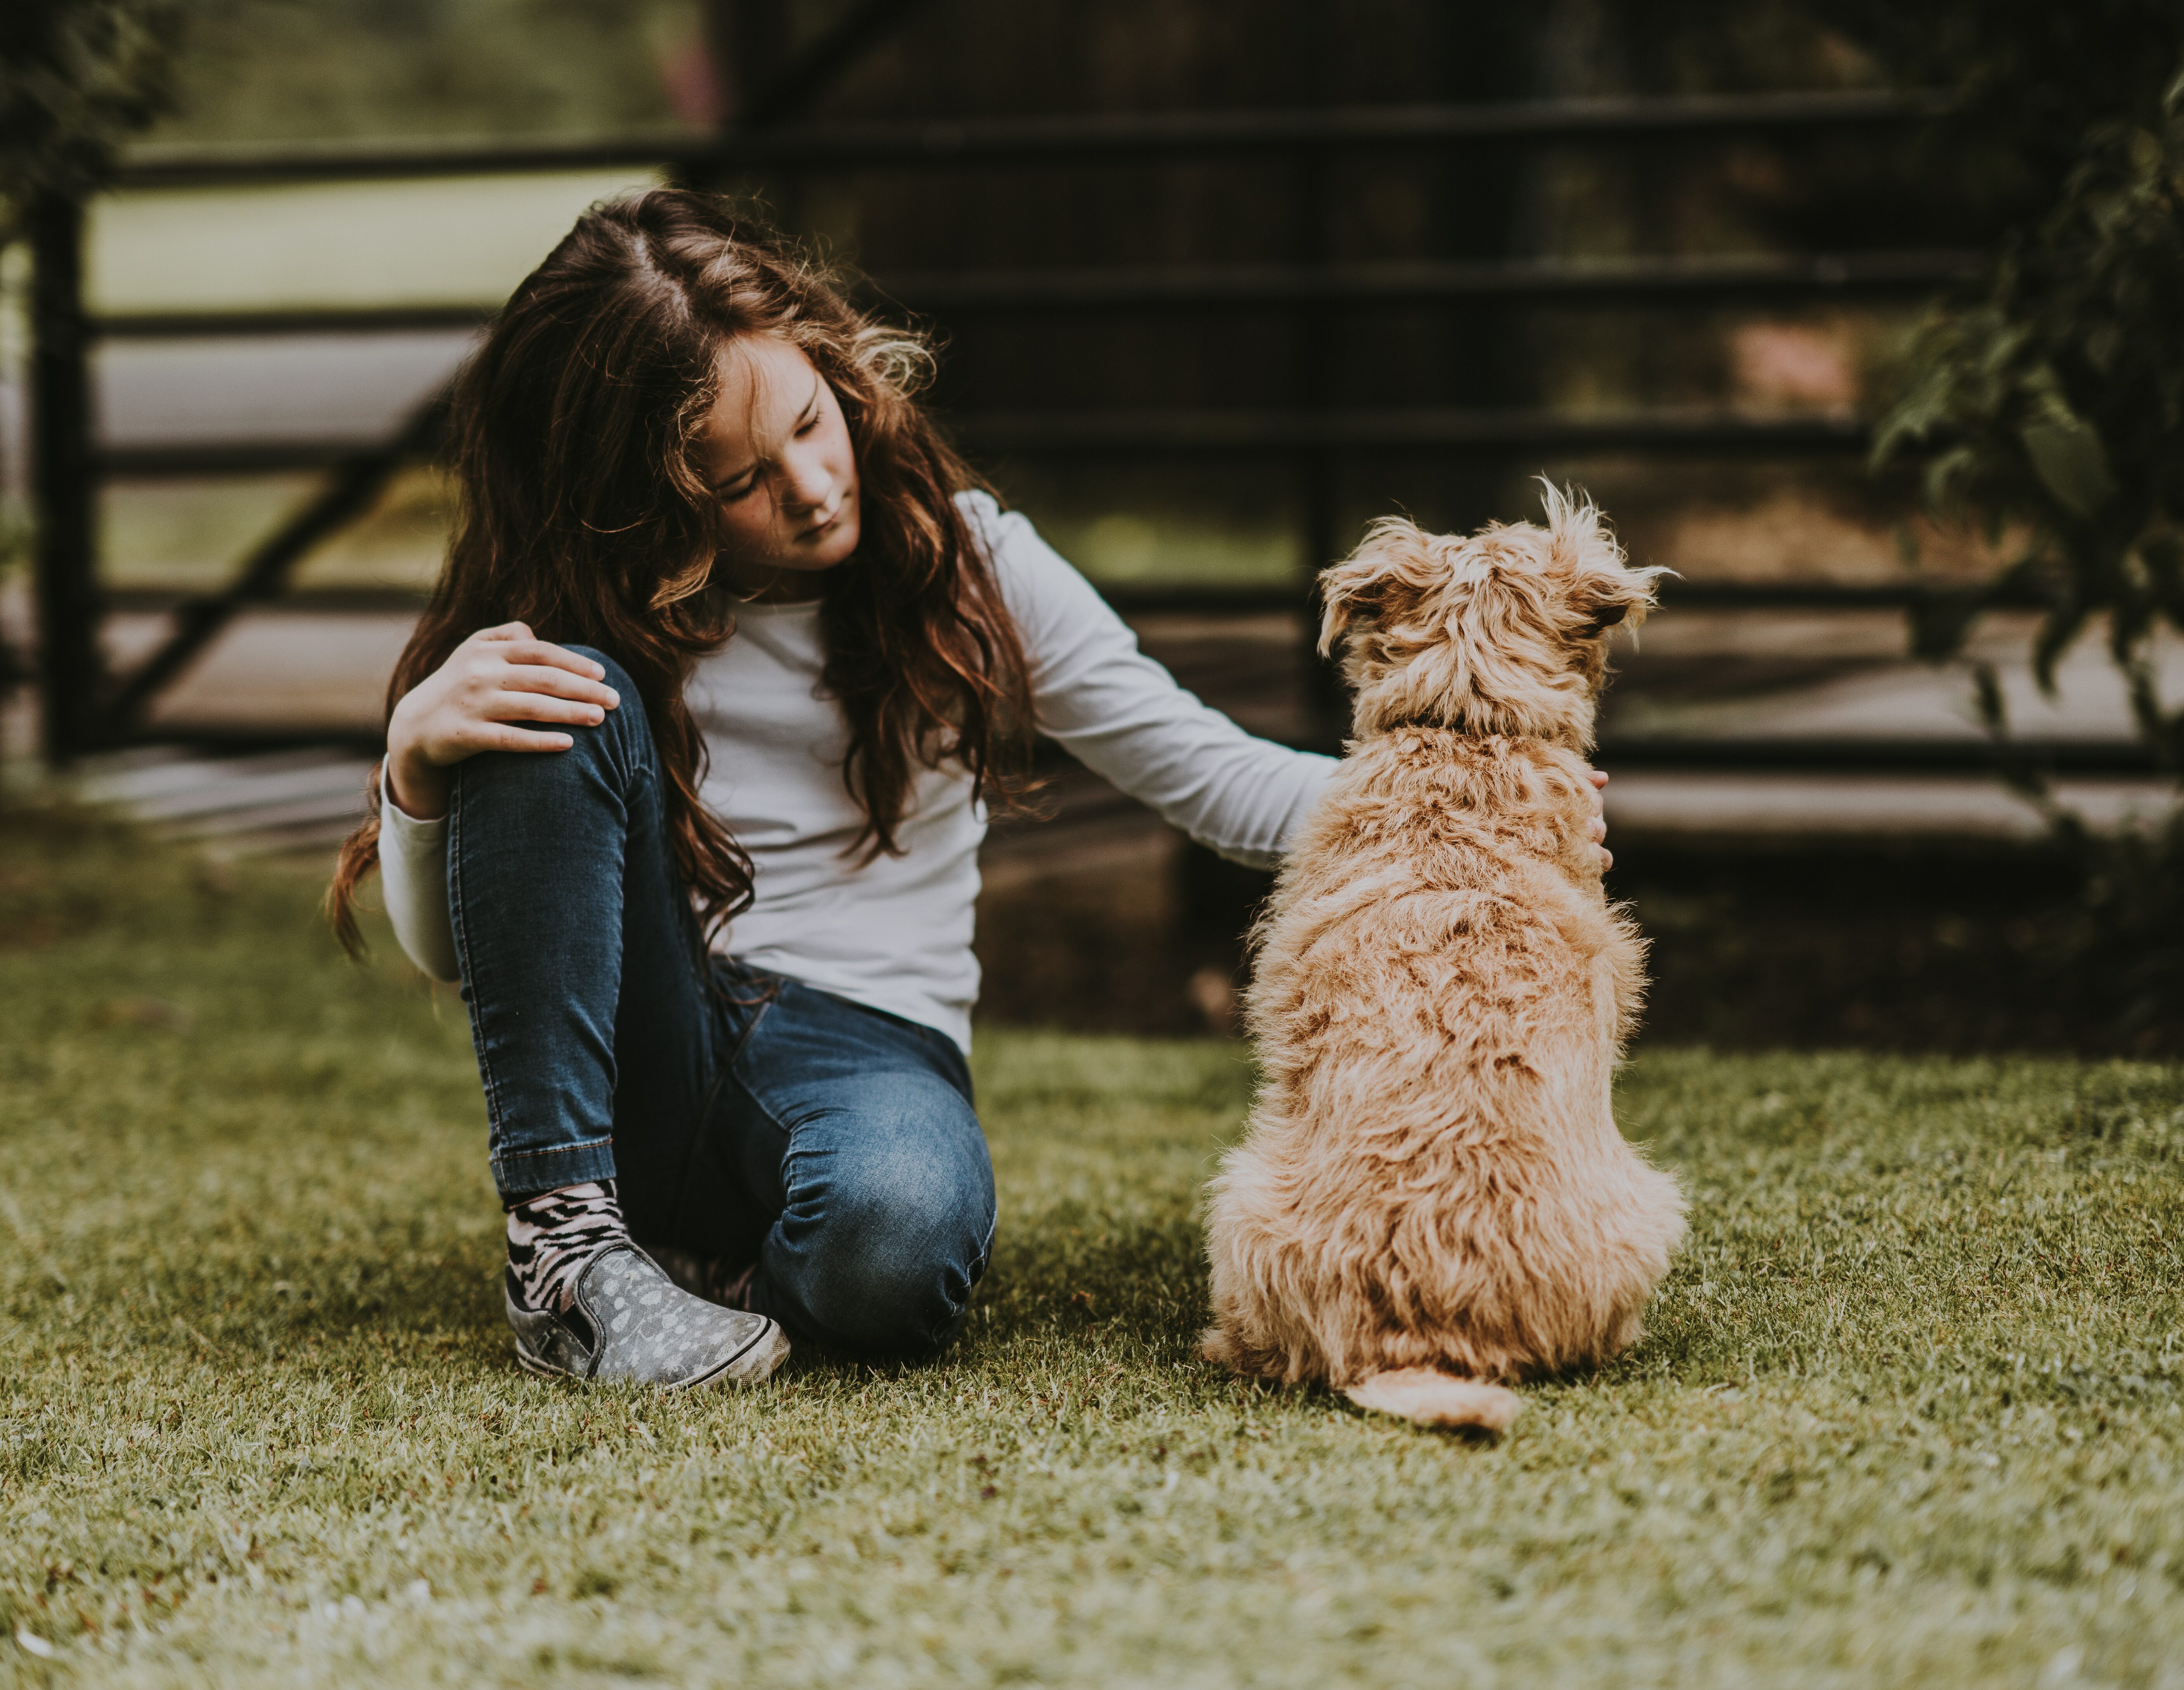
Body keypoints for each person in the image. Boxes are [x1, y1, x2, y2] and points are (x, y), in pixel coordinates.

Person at [328, 188, 1611, 1390]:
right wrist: (417, 768)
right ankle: (566, 1255)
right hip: (643, 1041)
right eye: (737, 483)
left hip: (867, 1041)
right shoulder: (571, 627)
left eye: (808, 425)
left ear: (836, 367)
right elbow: (467, 971)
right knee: (552, 694)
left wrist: (1476, 809)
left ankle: (697, 1280)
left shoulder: (969, 559)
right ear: (634, 502)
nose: (812, 486)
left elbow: (1210, 776)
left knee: (895, 1254)